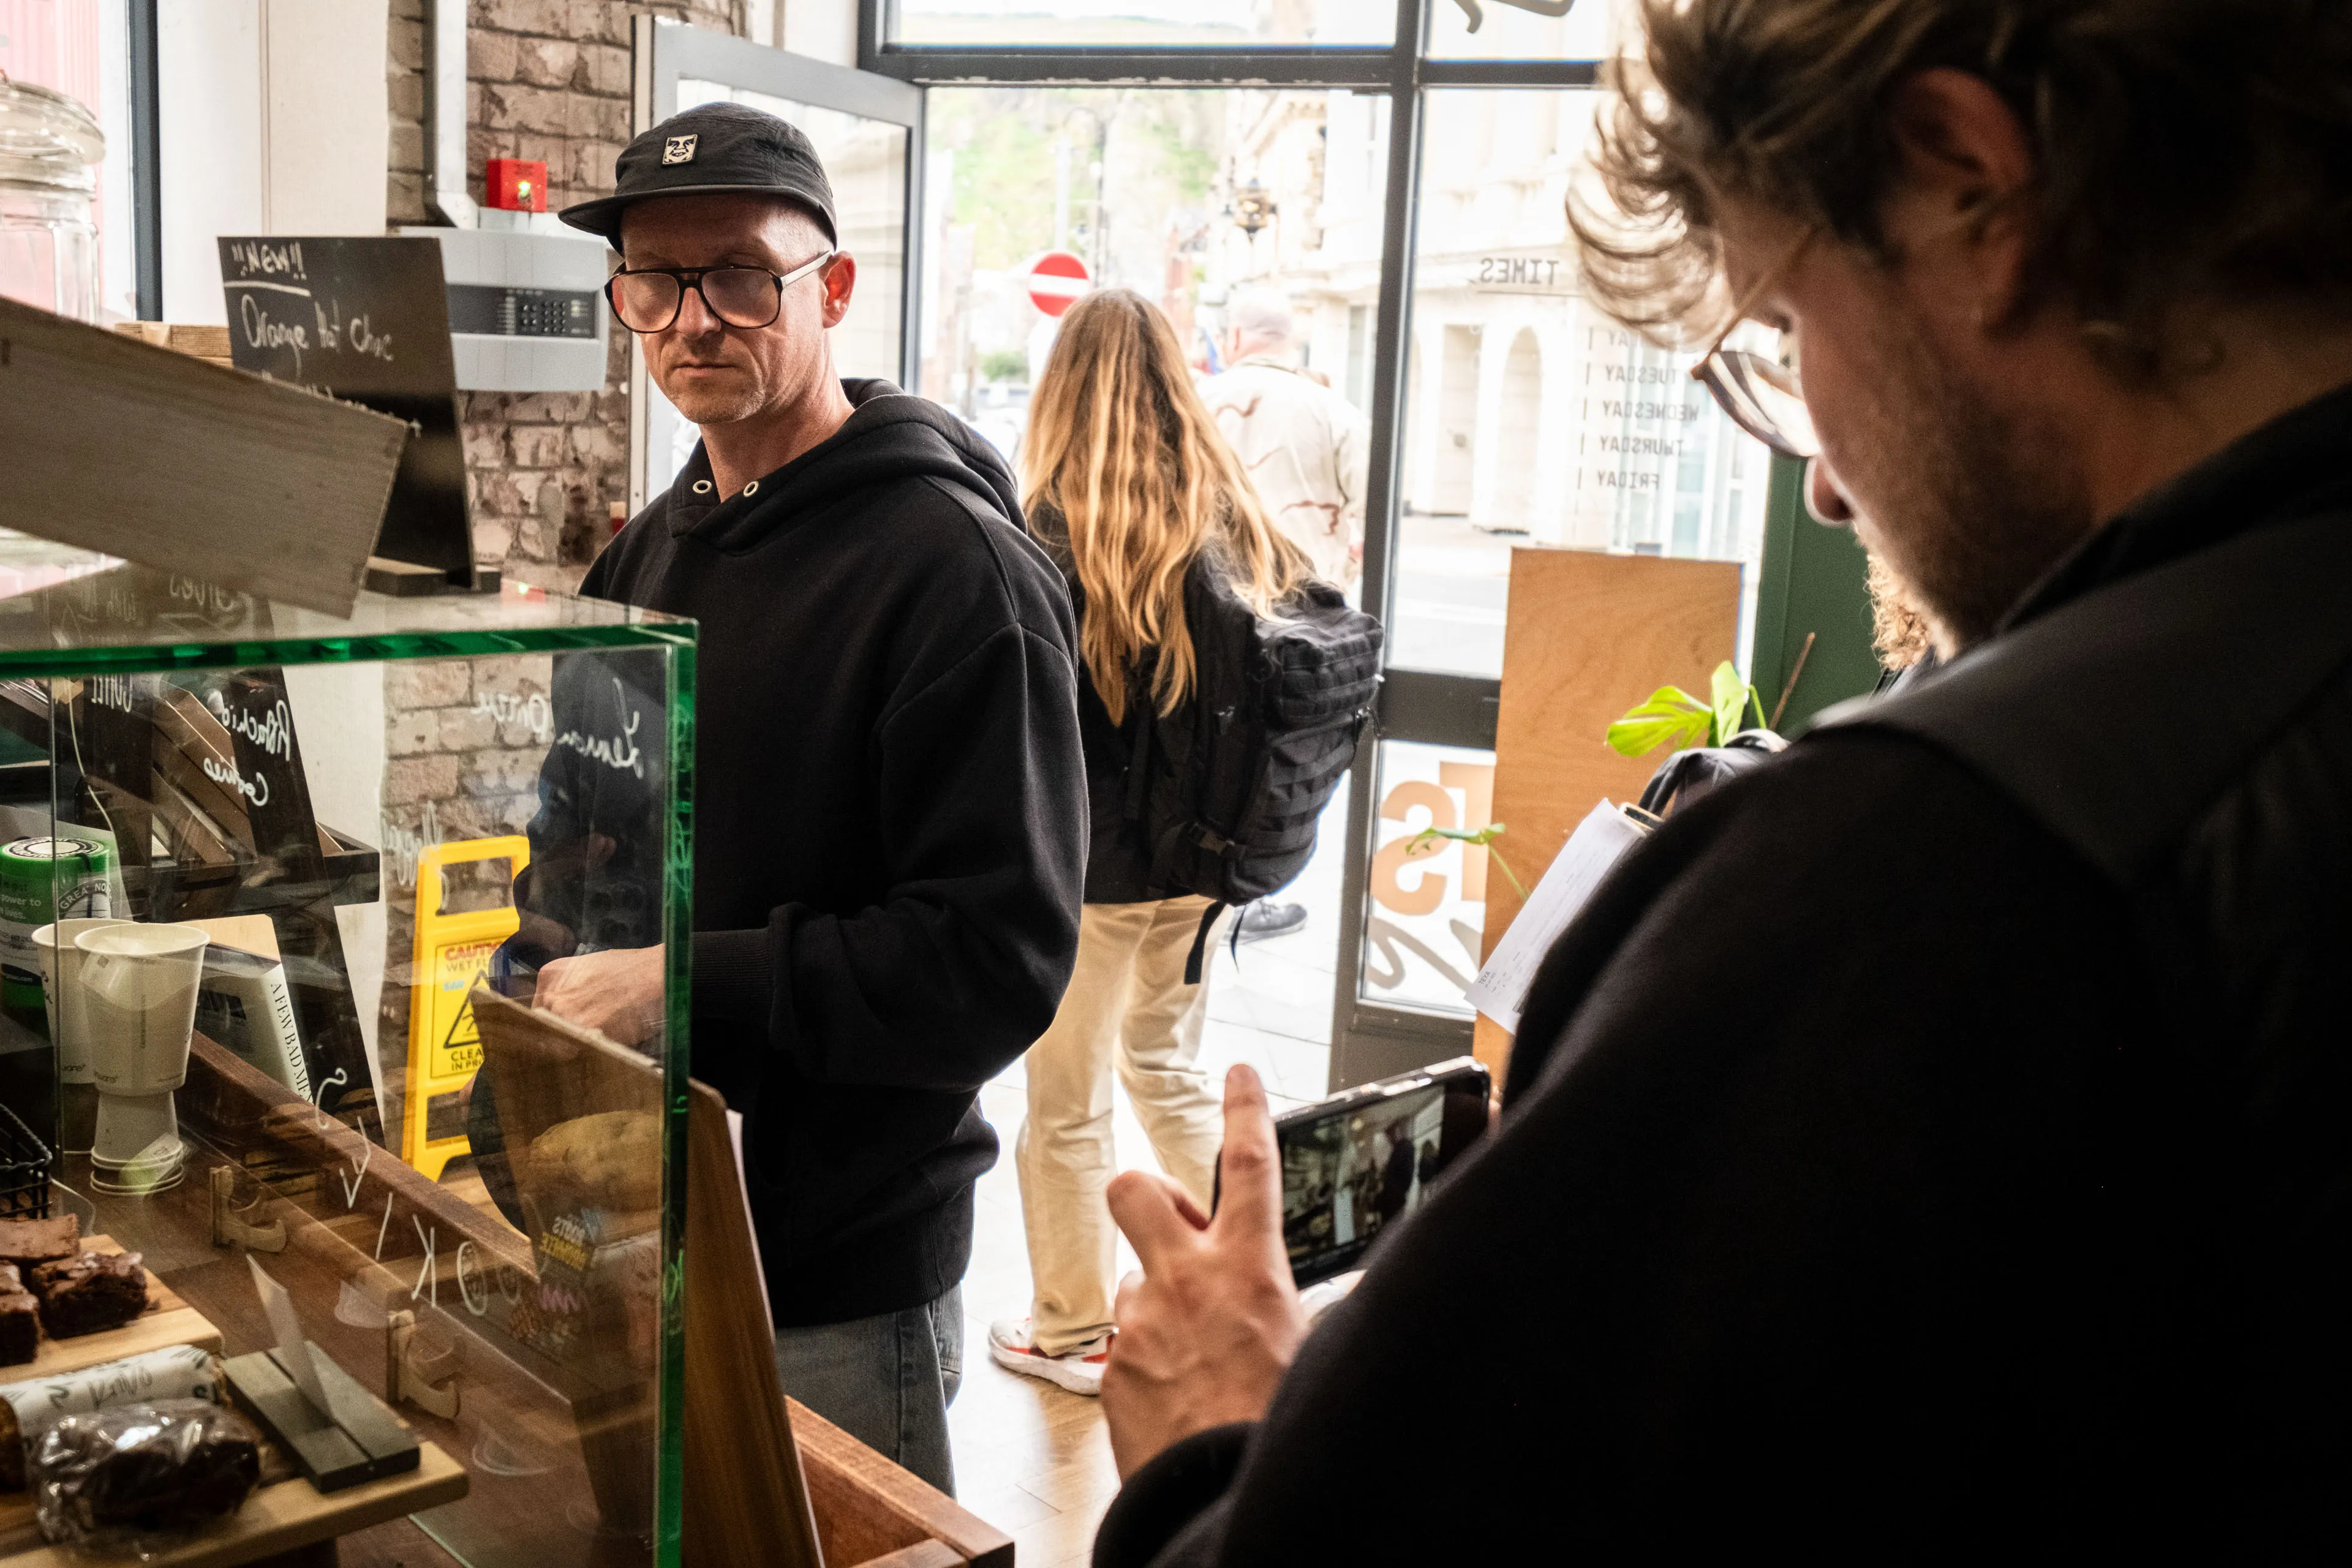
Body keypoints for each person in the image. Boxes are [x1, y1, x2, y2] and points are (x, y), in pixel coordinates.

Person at [1088, 1, 2352, 1560]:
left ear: (1971, 183)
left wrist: (1224, 1442)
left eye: (1777, 322)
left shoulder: (1922, 874)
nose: (1818, 475)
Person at [533, 102, 1085, 1493]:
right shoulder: (646, 558)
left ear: (829, 287)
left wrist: (675, 982)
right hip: (637, 1221)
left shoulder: (955, 571)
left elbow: (991, 960)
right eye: (654, 281)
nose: (690, 319)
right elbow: (578, 849)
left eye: (738, 275)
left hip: (836, 1272)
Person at [985, 289, 1313, 1398]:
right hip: (1207, 869)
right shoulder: (1231, 517)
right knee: (1165, 1066)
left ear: (1062, 388)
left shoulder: (1046, 527)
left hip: (1094, 876)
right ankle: (1257, 1274)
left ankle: (1072, 1332)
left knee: (1065, 1103)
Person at [1197, 290, 1370, 946]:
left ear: (1237, 336)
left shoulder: (1201, 401)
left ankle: (1208, 882)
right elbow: (1373, 502)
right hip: (1301, 630)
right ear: (1290, 344)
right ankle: (1252, 890)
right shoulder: (1332, 410)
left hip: (1210, 609)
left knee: (1213, 755)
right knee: (1278, 763)